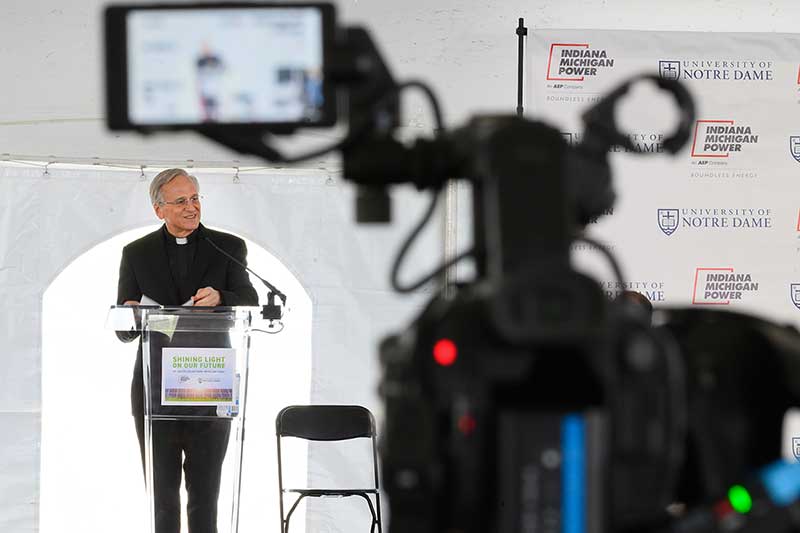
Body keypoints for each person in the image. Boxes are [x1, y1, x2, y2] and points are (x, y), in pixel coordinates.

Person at [116, 168, 258, 533]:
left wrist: (221, 297)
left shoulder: (227, 246)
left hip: (210, 385)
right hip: (155, 389)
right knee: (162, 499)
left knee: (205, 495)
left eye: (195, 198)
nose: (192, 208)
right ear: (159, 209)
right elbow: (123, 329)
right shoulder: (136, 253)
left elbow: (249, 298)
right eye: (181, 201)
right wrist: (132, 314)